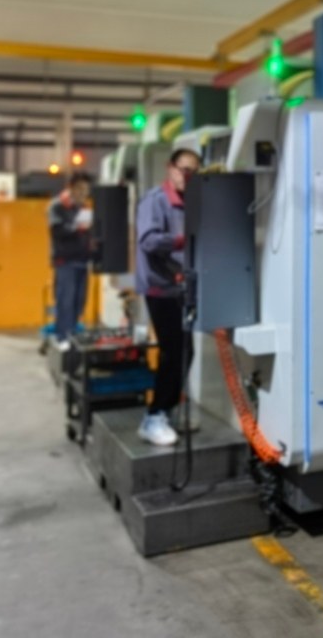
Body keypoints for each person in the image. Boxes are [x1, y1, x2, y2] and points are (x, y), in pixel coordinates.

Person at [135, 147, 200, 446]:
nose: (188, 176)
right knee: (174, 351)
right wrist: (181, 240)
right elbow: (148, 240)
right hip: (160, 288)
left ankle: (167, 411)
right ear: (170, 168)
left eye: (194, 171)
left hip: (181, 287)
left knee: (186, 351)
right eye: (184, 169)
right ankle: (154, 417)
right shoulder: (155, 200)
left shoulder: (190, 201)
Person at [47, 170, 94, 352]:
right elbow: (57, 231)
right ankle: (62, 337)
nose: (84, 193)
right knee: (65, 301)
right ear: (71, 188)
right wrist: (77, 227)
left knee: (78, 301)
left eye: (86, 190)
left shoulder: (83, 208)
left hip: (82, 260)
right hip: (65, 261)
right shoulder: (57, 206)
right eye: (80, 189)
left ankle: (72, 335)